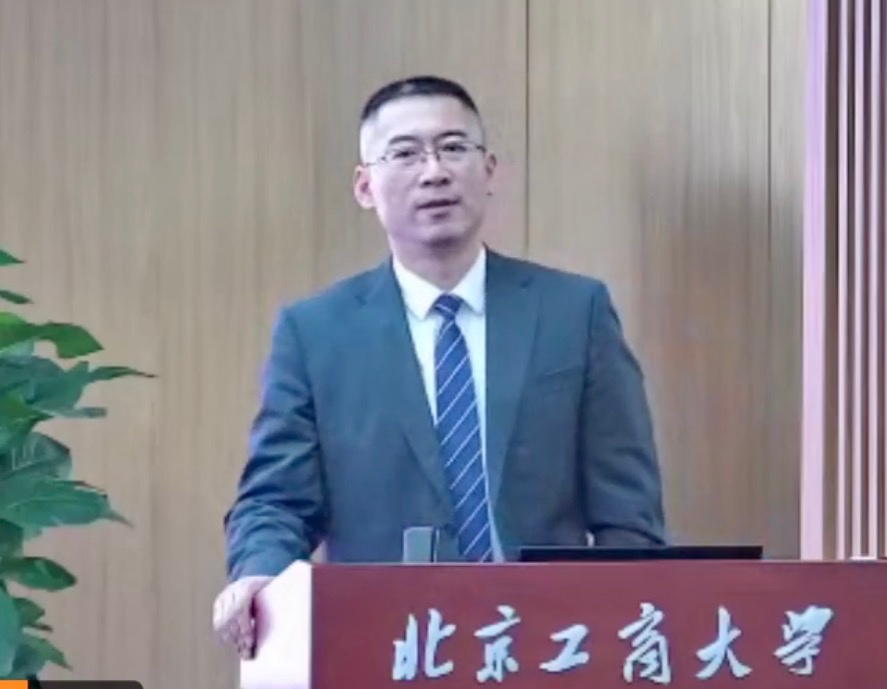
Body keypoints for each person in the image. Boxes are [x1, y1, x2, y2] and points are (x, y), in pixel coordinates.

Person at [212, 75, 667, 658]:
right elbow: (277, 499)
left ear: (490, 170)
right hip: (384, 645)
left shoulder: (575, 312)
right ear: (365, 186)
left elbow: (628, 511)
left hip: (550, 647)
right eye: (405, 154)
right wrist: (260, 573)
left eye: (453, 148)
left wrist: (614, 630)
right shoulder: (317, 332)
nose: (434, 172)